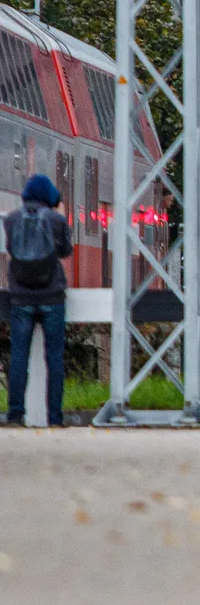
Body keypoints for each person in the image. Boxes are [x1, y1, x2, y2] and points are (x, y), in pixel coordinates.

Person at [6, 174, 72, 427]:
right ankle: (55, 418)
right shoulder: (56, 219)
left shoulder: (11, 220)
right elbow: (66, 251)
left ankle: (15, 415)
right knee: (54, 358)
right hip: (52, 296)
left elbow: (13, 250)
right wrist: (61, 216)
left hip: (20, 297)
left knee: (19, 356)